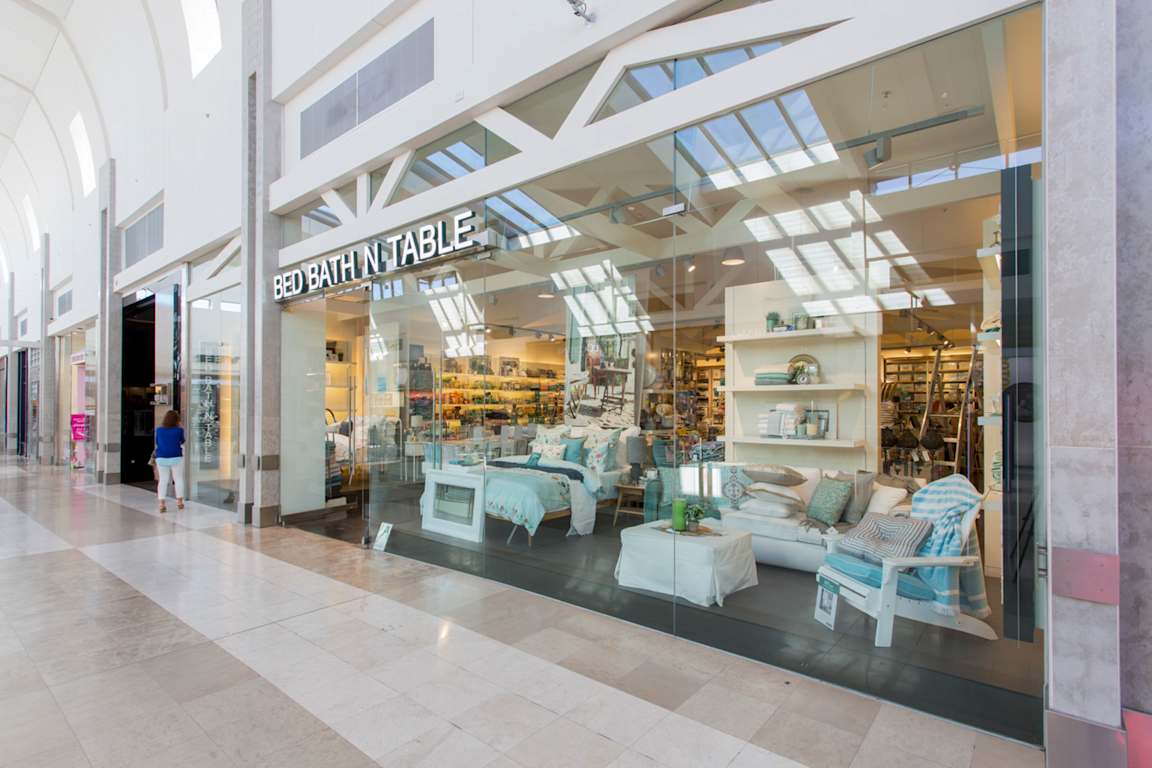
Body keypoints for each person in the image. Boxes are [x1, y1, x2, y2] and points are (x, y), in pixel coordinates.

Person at [154, 410, 185, 513]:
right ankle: (180, 501)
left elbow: (157, 442)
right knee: (178, 479)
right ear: (177, 420)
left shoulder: (159, 430)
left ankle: (162, 504)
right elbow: (182, 441)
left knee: (163, 480)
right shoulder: (179, 430)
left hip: (161, 457)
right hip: (176, 457)